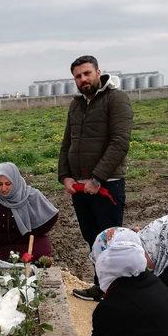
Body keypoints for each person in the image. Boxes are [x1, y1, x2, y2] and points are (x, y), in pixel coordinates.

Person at [58, 55, 133, 301]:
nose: (83, 79)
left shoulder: (116, 99)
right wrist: (65, 176)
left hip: (106, 185)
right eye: (78, 76)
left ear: (98, 71)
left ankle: (118, 293)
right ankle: (102, 286)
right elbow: (67, 142)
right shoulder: (76, 104)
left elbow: (120, 142)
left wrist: (98, 178)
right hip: (80, 187)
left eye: (87, 73)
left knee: (110, 240)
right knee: (92, 239)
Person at [0, 161, 59, 261]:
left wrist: (33, 234)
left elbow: (52, 216)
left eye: (8, 184)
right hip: (1, 245)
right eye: (0, 184)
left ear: (15, 181)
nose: (3, 189)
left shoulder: (30, 195)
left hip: (26, 243)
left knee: (41, 257)